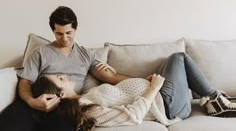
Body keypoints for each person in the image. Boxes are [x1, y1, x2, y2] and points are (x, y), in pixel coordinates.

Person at [0, 6, 129, 131]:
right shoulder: (40, 52)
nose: (65, 38)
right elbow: (25, 81)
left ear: (75, 29)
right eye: (59, 34)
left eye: (69, 33)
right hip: (35, 101)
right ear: (53, 32)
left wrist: (144, 78)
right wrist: (31, 101)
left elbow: (110, 77)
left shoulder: (86, 55)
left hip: (64, 107)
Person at [31, 53, 236, 131]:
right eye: (60, 79)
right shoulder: (86, 109)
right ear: (60, 94)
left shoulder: (87, 95)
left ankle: (213, 99)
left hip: (160, 96)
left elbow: (123, 94)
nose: (65, 77)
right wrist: (153, 88)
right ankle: (217, 101)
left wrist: (145, 82)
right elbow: (132, 115)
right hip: (167, 106)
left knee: (168, 61)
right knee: (178, 57)